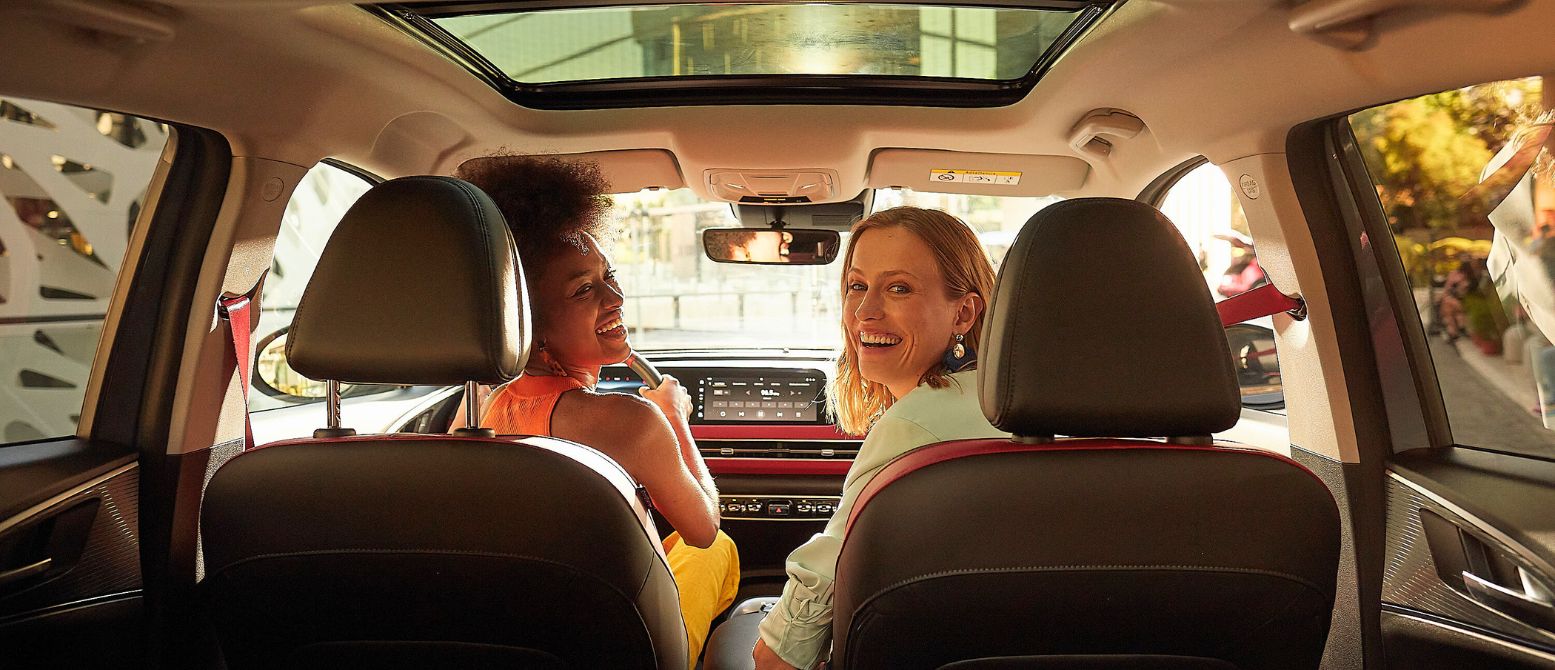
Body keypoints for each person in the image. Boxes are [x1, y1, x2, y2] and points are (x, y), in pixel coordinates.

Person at [452, 154, 739, 669]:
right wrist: (674, 418)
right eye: (584, 289)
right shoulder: (632, 422)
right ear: (529, 325)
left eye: (610, 275)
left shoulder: (475, 410)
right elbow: (703, 528)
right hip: (618, 649)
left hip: (511, 638)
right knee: (719, 551)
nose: (616, 297)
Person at [752, 207, 1009, 670]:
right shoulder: (1020, 410)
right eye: (857, 285)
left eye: (899, 288)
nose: (864, 312)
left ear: (964, 312)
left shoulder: (915, 428)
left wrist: (772, 648)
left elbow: (789, 643)